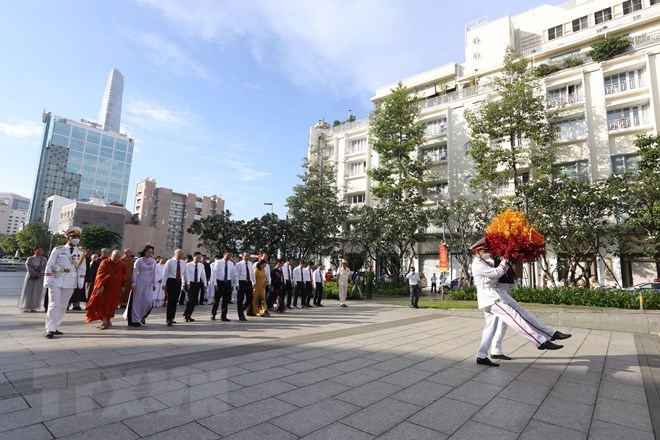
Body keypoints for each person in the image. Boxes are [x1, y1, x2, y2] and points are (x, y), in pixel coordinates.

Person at [471, 237, 570, 367]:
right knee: (515, 318)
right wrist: (505, 259)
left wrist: (509, 251)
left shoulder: (485, 261)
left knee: (505, 320)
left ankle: (481, 355)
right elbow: (496, 273)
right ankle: (540, 341)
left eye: (488, 250)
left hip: (495, 293)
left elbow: (497, 262)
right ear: (477, 252)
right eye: (485, 250)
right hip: (490, 297)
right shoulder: (478, 264)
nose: (488, 252)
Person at [43, 227, 87, 338]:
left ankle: (55, 325)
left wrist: (80, 280)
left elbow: (82, 268)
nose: (76, 239)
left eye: (78, 237)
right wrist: (47, 279)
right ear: (68, 237)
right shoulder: (58, 250)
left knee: (63, 305)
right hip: (56, 279)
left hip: (70, 281)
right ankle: (50, 328)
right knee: (54, 303)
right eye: (74, 237)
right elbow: (49, 265)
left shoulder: (81, 252)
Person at [85, 250, 126, 329]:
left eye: (118, 257)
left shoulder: (121, 264)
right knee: (102, 304)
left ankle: (108, 319)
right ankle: (104, 322)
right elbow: (100, 275)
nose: (116, 259)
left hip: (116, 288)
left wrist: (123, 285)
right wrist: (101, 285)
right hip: (105, 288)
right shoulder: (105, 262)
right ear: (111, 255)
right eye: (115, 257)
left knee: (112, 305)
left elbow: (124, 275)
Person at [125, 245, 156, 327]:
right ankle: (135, 319)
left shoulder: (153, 261)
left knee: (148, 301)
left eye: (151, 252)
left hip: (148, 282)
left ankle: (142, 316)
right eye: (148, 251)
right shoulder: (139, 260)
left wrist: (154, 283)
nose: (149, 253)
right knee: (137, 301)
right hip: (140, 281)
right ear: (145, 252)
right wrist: (133, 283)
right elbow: (135, 272)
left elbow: (154, 273)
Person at [162, 249, 187, 326]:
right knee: (171, 299)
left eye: (182, 254)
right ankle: (168, 318)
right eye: (179, 254)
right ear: (175, 254)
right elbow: (165, 273)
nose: (180, 256)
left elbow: (185, 273)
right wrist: (164, 283)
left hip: (178, 281)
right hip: (171, 281)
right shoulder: (169, 261)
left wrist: (186, 283)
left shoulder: (183, 263)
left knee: (175, 300)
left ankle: (172, 317)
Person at [18, 246, 47, 312]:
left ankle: (34, 307)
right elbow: (28, 267)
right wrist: (35, 274)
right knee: (28, 291)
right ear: (35, 251)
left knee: (37, 292)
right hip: (30, 277)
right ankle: (27, 306)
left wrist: (40, 274)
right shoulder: (30, 259)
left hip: (39, 278)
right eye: (38, 250)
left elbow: (45, 267)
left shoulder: (44, 259)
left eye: (41, 250)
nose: (39, 251)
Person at [210, 251, 236, 321]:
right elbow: (214, 273)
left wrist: (233, 284)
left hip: (227, 282)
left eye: (230, 256)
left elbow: (233, 274)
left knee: (225, 300)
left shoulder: (231, 264)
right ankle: (213, 314)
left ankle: (223, 315)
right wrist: (215, 284)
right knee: (217, 299)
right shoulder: (218, 262)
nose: (229, 257)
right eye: (227, 255)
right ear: (224, 255)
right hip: (219, 282)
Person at [183, 251, 207, 322]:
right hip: (189, 284)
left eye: (200, 258)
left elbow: (203, 275)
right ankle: (186, 314)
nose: (198, 260)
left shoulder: (201, 265)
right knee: (189, 299)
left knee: (194, 301)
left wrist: (205, 284)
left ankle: (189, 315)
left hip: (197, 284)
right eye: (197, 258)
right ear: (193, 257)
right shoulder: (188, 265)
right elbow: (184, 275)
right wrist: (183, 284)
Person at [235, 251, 253, 322]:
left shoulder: (251, 264)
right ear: (242, 256)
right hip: (241, 282)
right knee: (240, 299)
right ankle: (241, 316)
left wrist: (253, 282)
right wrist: (237, 284)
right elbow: (236, 275)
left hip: (248, 282)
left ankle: (241, 309)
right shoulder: (238, 264)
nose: (246, 257)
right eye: (245, 256)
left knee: (250, 298)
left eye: (248, 256)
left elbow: (252, 274)